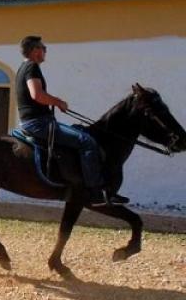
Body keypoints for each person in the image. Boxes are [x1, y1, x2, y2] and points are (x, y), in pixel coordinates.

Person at [16, 36, 127, 206]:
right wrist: (58, 102)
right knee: (86, 142)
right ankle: (96, 192)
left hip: (36, 121)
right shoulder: (32, 67)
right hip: (39, 123)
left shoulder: (22, 68)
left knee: (79, 132)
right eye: (43, 48)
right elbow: (36, 95)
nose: (45, 51)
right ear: (35, 50)